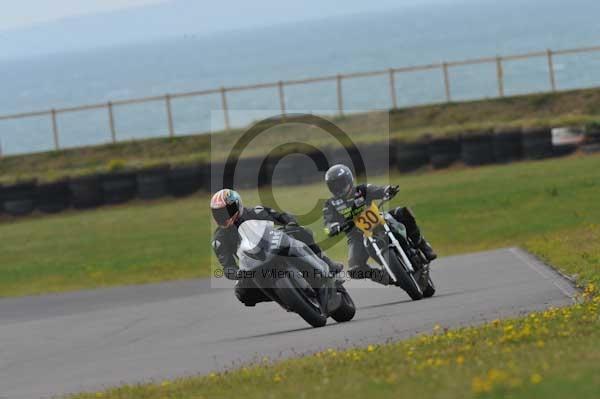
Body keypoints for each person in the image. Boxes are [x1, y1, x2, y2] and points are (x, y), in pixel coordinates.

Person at [210, 188, 343, 307]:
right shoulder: (219, 240)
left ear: (237, 206)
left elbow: (279, 216)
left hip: (275, 244)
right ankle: (283, 296)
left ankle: (327, 263)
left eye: (227, 211)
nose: (223, 216)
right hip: (252, 265)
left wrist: (290, 223)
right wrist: (236, 273)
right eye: (219, 213)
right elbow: (228, 267)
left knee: (303, 232)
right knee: (241, 293)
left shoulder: (256, 211)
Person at [322, 164, 437, 282]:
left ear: (349, 180)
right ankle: (384, 277)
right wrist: (332, 228)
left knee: (403, 212)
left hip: (379, 220)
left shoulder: (362, 189)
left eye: (341, 183)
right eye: (334, 186)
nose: (339, 188)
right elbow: (327, 224)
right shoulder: (330, 204)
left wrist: (388, 190)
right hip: (356, 236)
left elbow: (378, 190)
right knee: (354, 269)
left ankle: (422, 245)